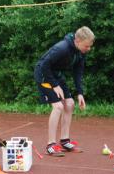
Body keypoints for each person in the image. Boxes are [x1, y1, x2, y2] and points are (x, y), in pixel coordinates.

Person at [34, 26, 95, 157]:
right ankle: (50, 145)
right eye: (87, 46)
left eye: (90, 46)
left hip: (55, 74)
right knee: (58, 107)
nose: (88, 49)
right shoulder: (62, 48)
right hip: (44, 74)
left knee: (70, 104)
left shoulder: (80, 52)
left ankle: (65, 141)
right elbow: (44, 64)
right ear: (78, 41)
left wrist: (80, 93)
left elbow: (78, 72)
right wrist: (54, 85)